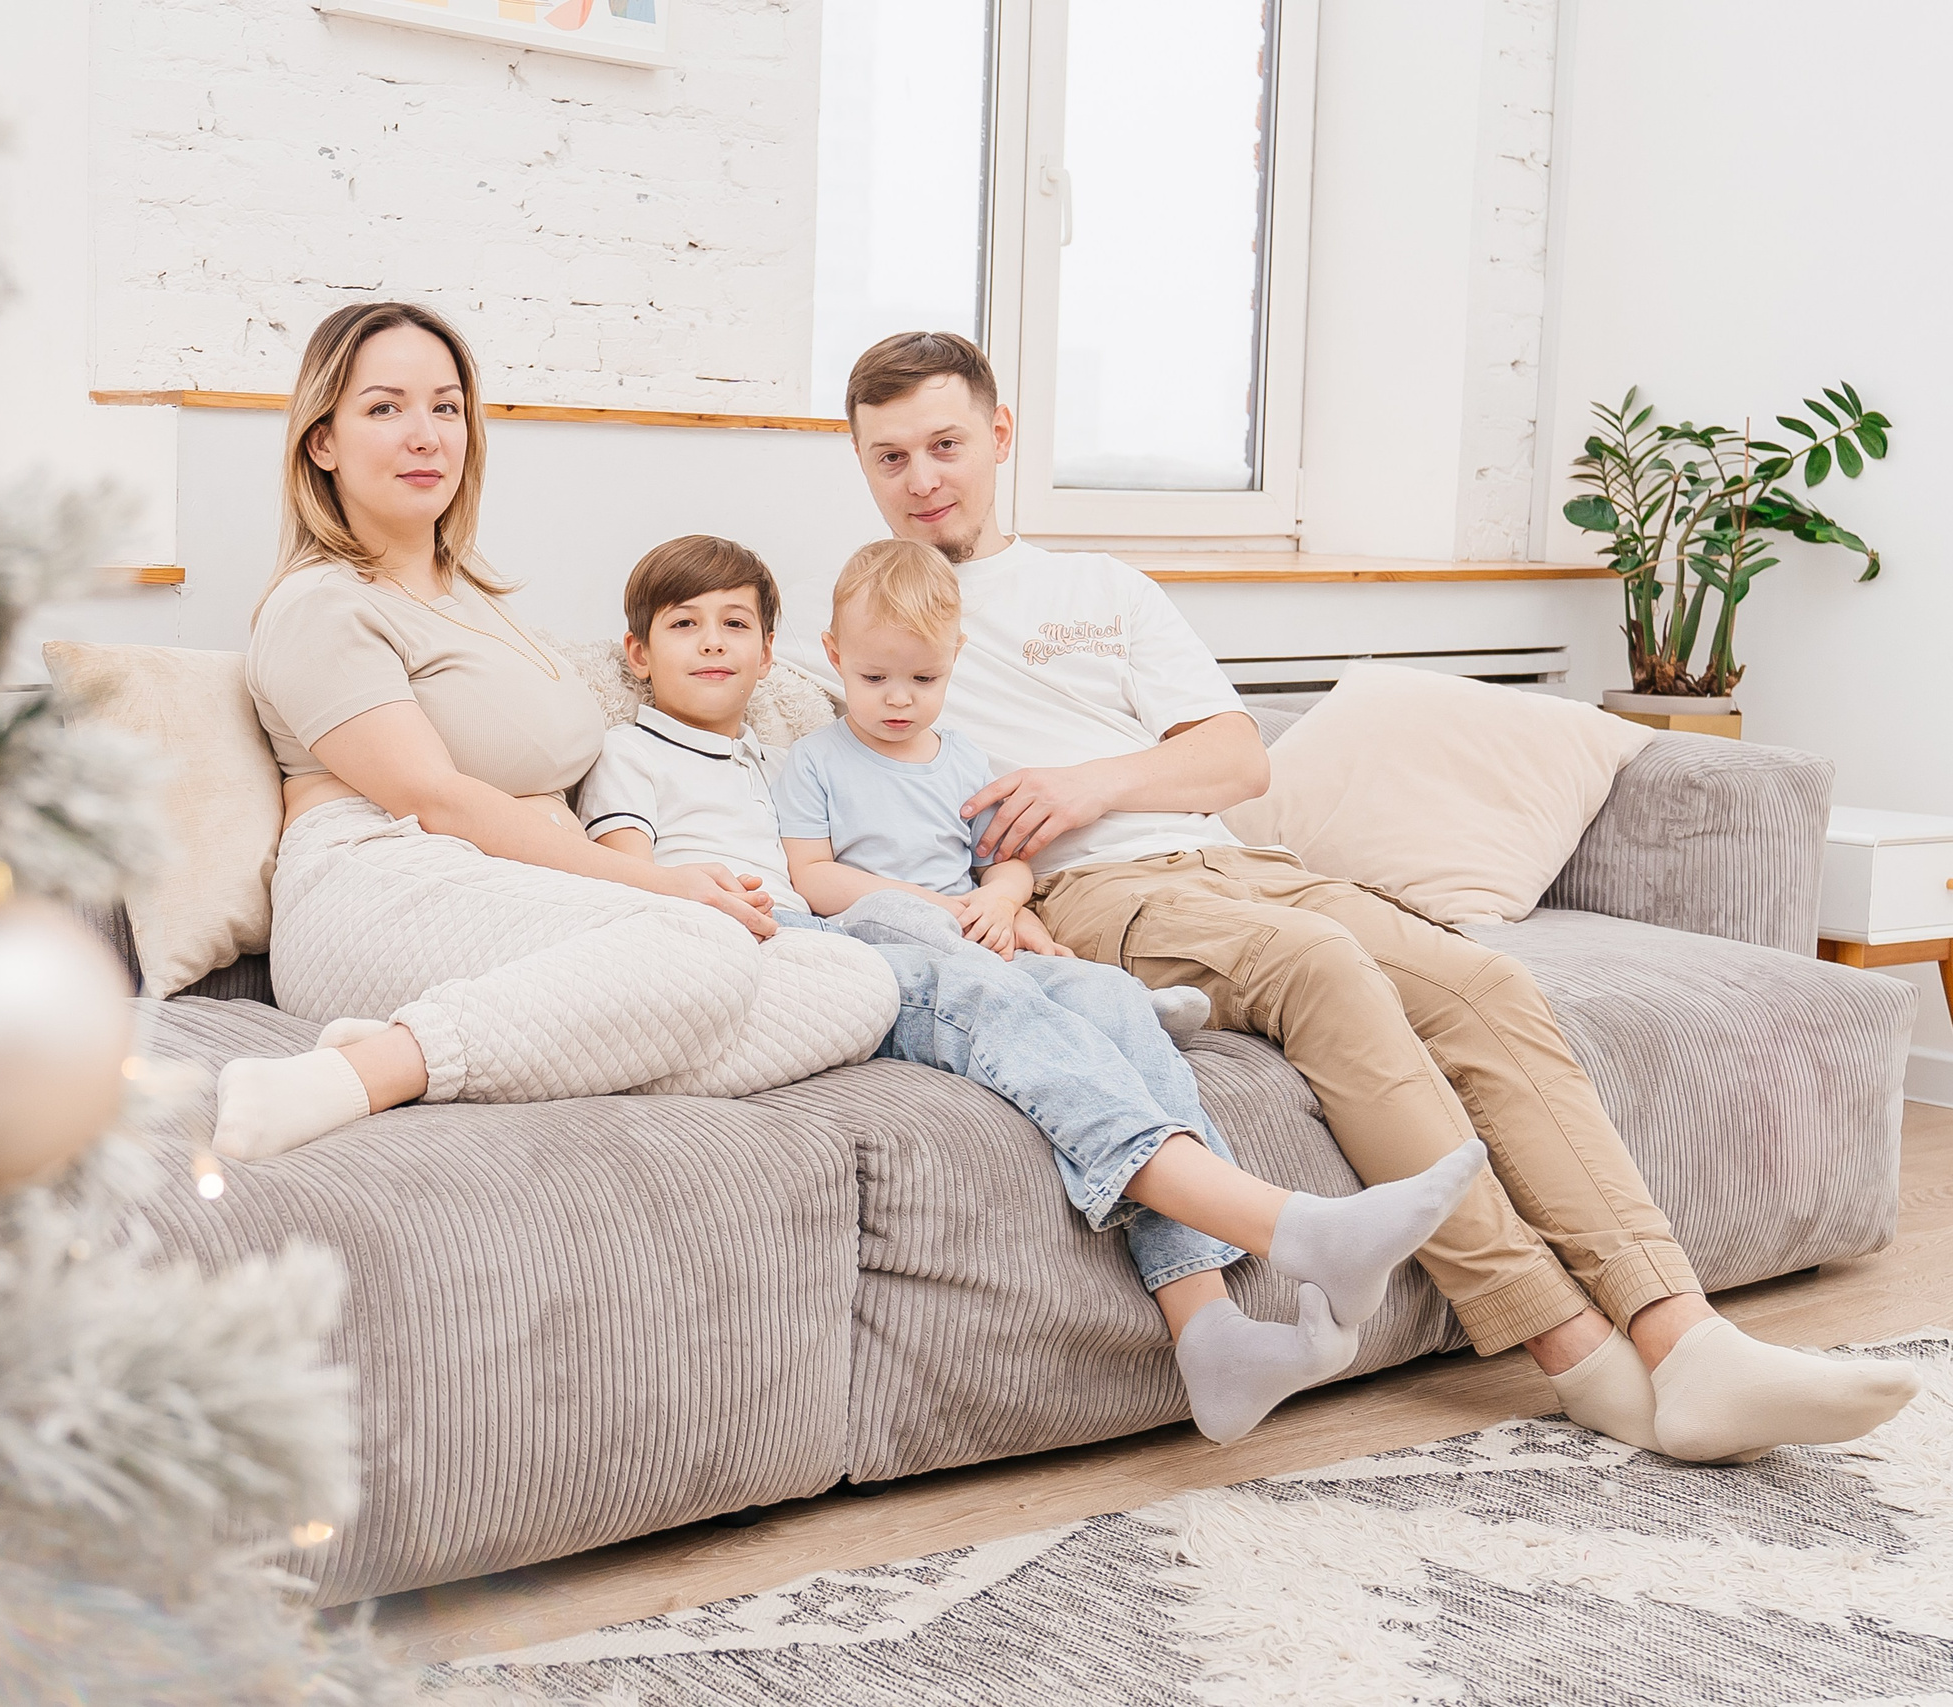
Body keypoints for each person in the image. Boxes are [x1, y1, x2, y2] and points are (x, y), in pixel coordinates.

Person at [779, 329, 1921, 1465]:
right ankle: (1572, 1350)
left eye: (943, 444)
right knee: (1321, 972)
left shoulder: (1100, 589)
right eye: (889, 458)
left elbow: (1236, 758)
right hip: (1091, 897)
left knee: (1479, 982)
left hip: (1231, 857)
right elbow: (768, 771)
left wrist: (1090, 780)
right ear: (861, 465)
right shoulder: (870, 628)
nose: (922, 480)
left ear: (999, 436)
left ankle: (1684, 1339)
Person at [580, 532, 1487, 1444]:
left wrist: (1001, 904)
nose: (711, 642)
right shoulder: (636, 750)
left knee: (1109, 1002)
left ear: (775, 653)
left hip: (876, 932)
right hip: (811, 947)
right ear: (637, 651)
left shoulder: (768, 753)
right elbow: (647, 870)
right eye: (684, 624)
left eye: (734, 623)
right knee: (984, 981)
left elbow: (955, 852)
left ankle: (1207, 1327)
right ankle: (1298, 1231)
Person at [214, 302, 896, 1161]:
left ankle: (487, 1047)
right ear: (323, 442)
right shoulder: (322, 603)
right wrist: (648, 884)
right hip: (372, 885)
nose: (425, 434)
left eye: (447, 407)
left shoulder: (471, 599)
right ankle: (361, 1071)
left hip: (499, 889)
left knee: (854, 980)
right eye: (384, 407)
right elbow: (432, 798)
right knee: (701, 945)